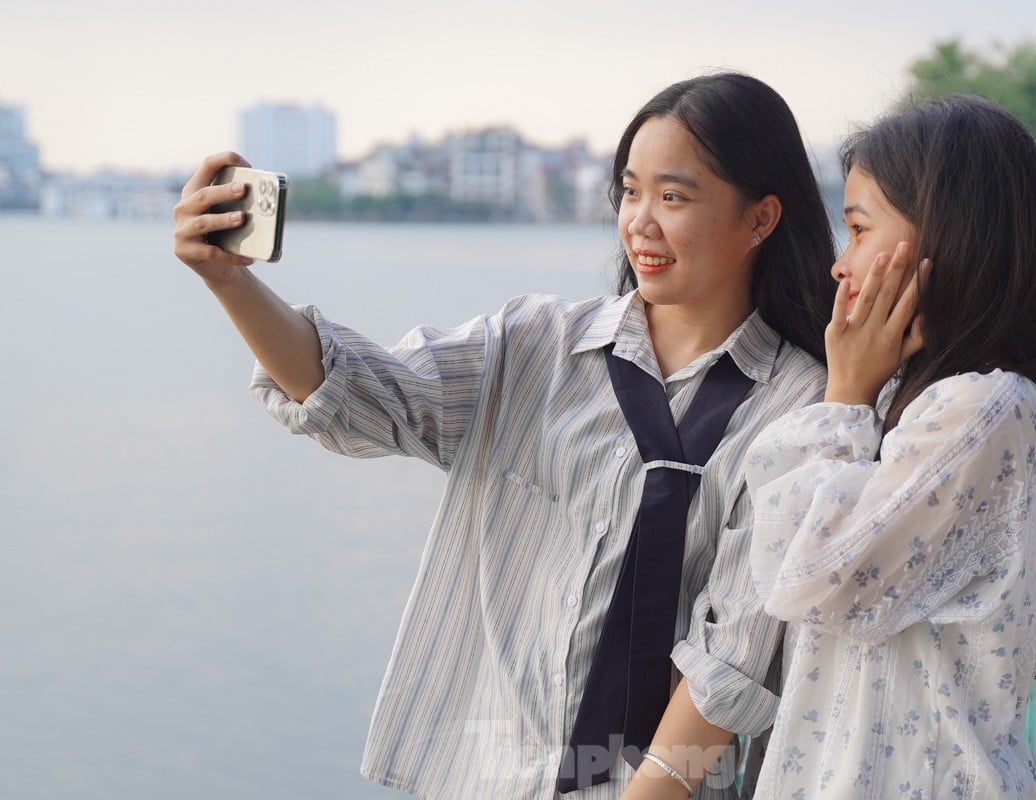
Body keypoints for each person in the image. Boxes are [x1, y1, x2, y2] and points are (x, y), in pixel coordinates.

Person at [172, 72, 837, 798]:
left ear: (761, 219)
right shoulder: (536, 347)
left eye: (673, 197)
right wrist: (229, 284)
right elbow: (363, 393)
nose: (640, 221)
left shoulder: (801, 409)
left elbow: (730, 665)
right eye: (631, 190)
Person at [742, 94, 1036, 799]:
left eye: (860, 229)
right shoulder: (935, 405)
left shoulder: (981, 410)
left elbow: (802, 575)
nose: (842, 267)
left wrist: (843, 397)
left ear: (947, 237)